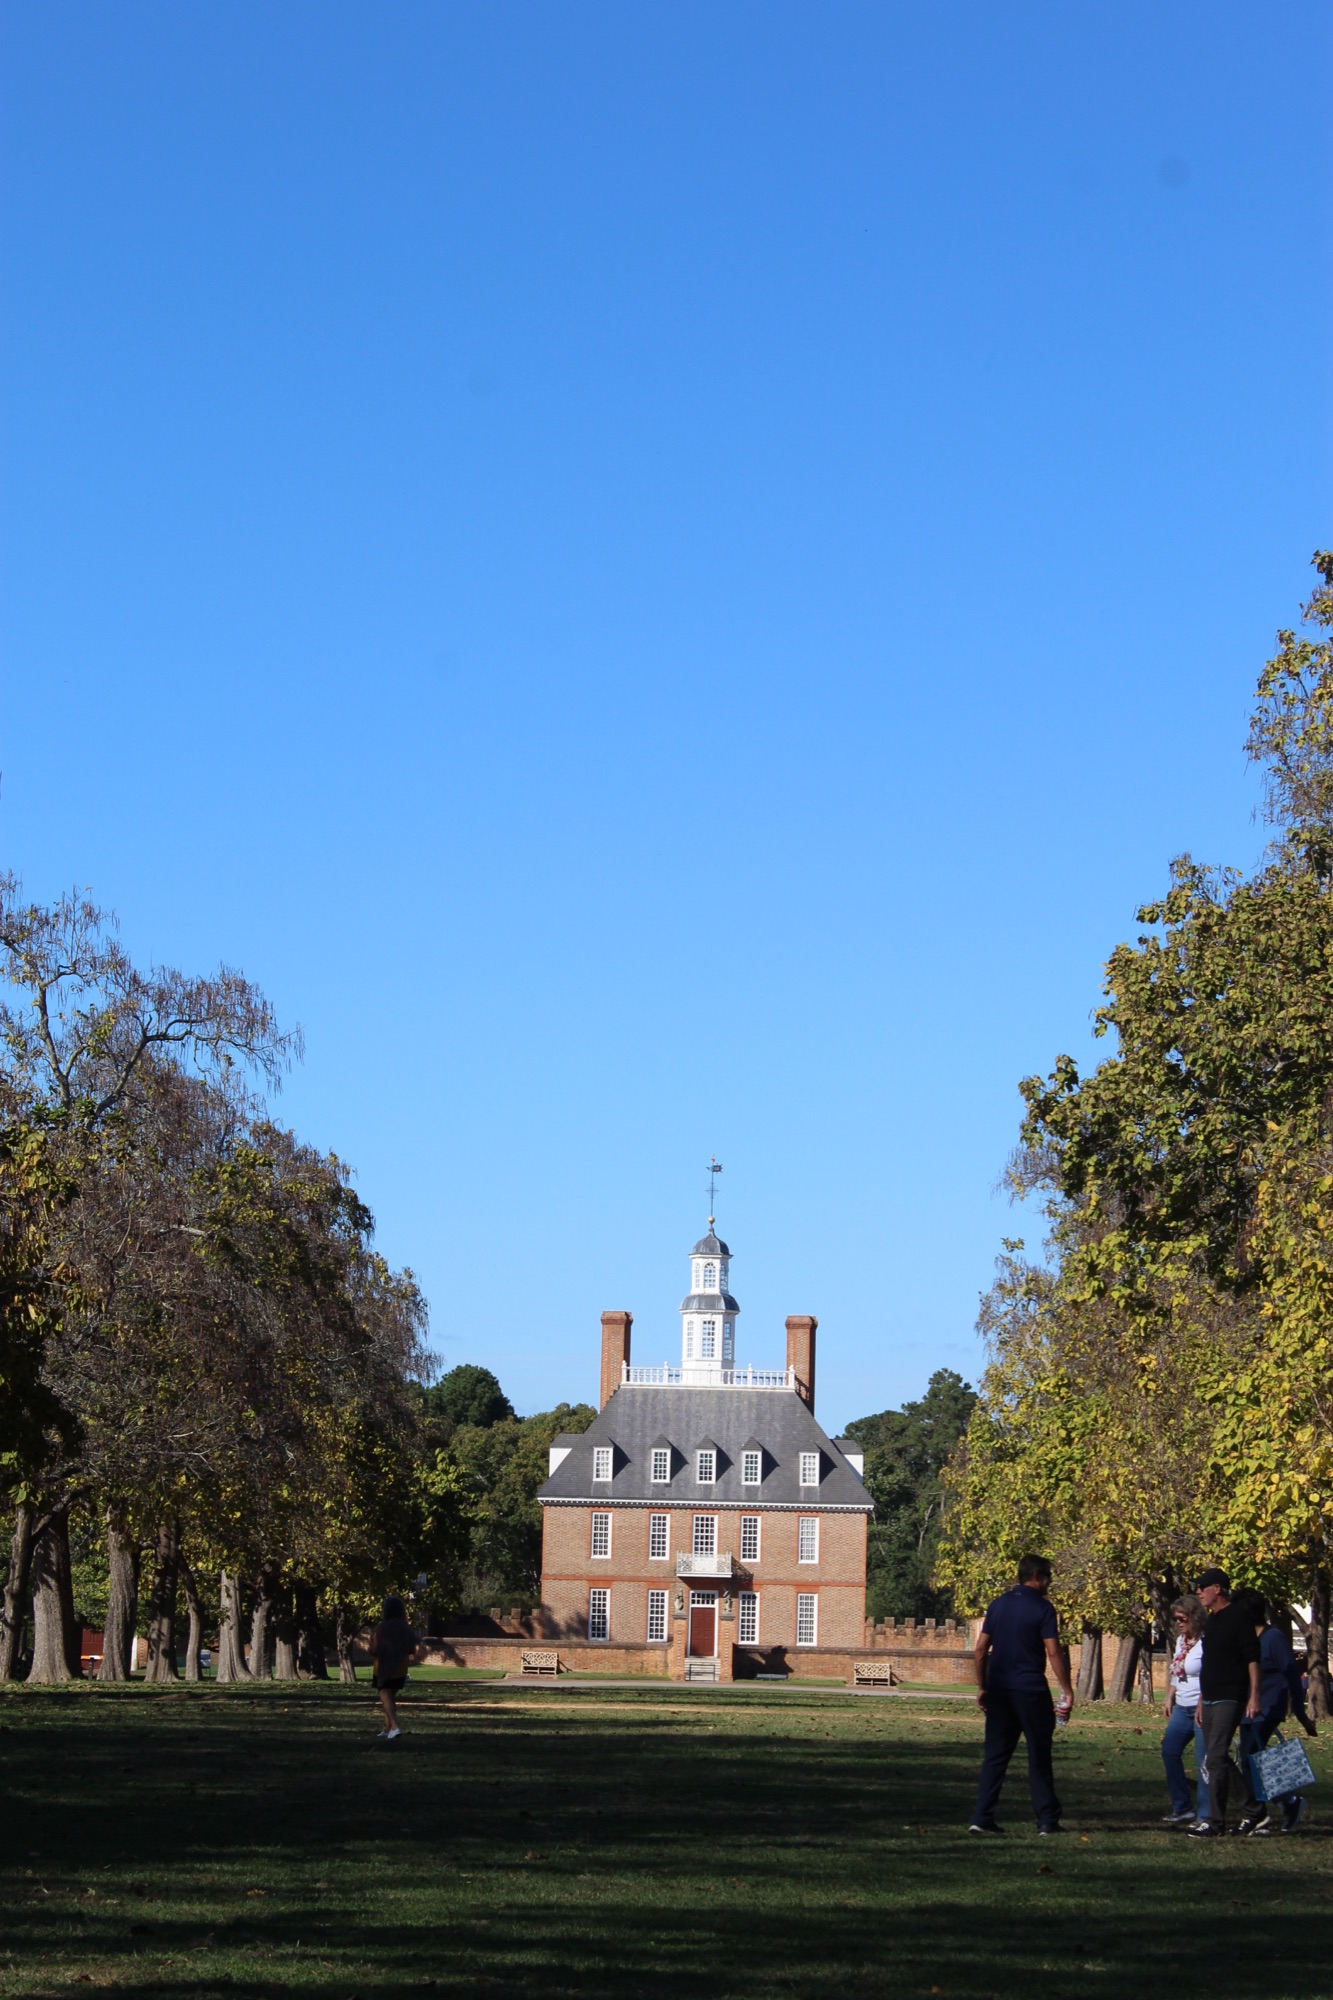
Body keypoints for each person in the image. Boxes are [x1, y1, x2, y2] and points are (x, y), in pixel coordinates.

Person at [970, 1553, 1075, 1836]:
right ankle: (1046, 1820)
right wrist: (1066, 1690)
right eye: (1048, 1576)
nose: (1050, 1582)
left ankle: (982, 1817)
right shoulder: (1043, 1608)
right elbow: (1053, 1651)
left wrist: (982, 1686)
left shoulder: (998, 1605)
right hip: (1030, 1690)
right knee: (1038, 1754)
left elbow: (980, 1650)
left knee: (995, 1756)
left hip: (1000, 1690)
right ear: (1037, 1576)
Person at [1188, 1567, 1262, 1838]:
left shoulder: (1238, 1616)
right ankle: (1253, 1810)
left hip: (1230, 1696)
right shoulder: (1212, 1621)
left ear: (1217, 1588)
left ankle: (1216, 1821)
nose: (1198, 1592)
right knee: (1216, 1759)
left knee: (1217, 1757)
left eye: (1202, 1587)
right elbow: (1210, 1663)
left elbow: (1252, 1658)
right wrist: (1201, 1699)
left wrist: (1254, 1696)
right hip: (1210, 1697)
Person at [1236, 1593, 1315, 1835]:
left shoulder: (1273, 1638)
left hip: (1266, 1708)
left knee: (1249, 1757)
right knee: (1251, 1759)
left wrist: (1301, 1713)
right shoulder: (1245, 1639)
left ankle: (1262, 1812)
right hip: (1246, 1710)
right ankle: (1286, 1802)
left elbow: (1292, 1674)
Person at [1160, 1594, 1207, 1827]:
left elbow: (1212, 1674)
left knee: (1203, 1762)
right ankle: (1182, 1807)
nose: (1178, 1622)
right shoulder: (1182, 1641)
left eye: (1182, 1618)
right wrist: (1170, 1696)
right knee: (1169, 1751)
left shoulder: (1206, 1642)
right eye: (1176, 1618)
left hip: (1202, 1708)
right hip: (1182, 1706)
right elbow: (1177, 1672)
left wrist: (1202, 1701)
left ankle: (1206, 1814)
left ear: (1194, 1616)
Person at [371, 1594, 419, 1742]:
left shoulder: (382, 1627)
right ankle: (387, 1728)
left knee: (384, 1694)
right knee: (390, 1697)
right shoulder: (406, 1628)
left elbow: (374, 1649)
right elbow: (412, 1649)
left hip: (383, 1666)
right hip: (401, 1667)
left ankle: (395, 1727)